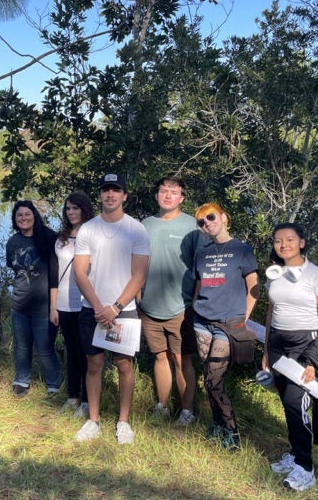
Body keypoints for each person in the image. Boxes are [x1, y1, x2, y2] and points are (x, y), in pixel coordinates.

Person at [73, 173, 150, 444]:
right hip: (92, 309)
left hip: (124, 310)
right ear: (100, 195)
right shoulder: (88, 229)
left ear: (124, 196)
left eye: (116, 190)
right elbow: (79, 272)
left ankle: (123, 422)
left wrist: (115, 308)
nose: (110, 195)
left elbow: (139, 275)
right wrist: (98, 306)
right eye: (106, 190)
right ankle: (93, 421)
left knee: (124, 365)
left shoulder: (136, 230)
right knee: (94, 364)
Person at [263, 223, 318, 491]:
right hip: (278, 343)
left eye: (290, 239)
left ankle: (305, 468)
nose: (284, 245)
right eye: (278, 241)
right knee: (286, 401)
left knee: (296, 402)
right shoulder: (275, 274)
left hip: (305, 344)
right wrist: (266, 350)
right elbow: (271, 312)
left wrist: (314, 360)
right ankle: (294, 454)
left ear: (302, 242)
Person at [192, 202, 259, 450]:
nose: (207, 224)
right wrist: (194, 306)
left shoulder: (242, 250)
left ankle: (233, 432)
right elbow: (199, 285)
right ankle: (218, 426)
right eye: (201, 222)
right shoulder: (202, 253)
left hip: (228, 325)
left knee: (214, 379)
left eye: (210, 217)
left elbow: (254, 289)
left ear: (223, 217)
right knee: (209, 378)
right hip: (202, 322)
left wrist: (242, 318)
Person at [140, 176, 203, 426]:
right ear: (157, 195)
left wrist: (195, 301)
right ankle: (163, 406)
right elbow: (137, 263)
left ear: (182, 198)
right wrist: (138, 297)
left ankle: (187, 412)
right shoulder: (145, 225)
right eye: (163, 191)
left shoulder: (193, 226)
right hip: (150, 306)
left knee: (181, 358)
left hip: (181, 307)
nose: (167, 195)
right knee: (160, 357)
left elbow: (202, 267)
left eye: (173, 192)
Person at [6, 200, 61, 397]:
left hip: (44, 307)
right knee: (22, 346)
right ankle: (22, 380)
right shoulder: (13, 242)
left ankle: (54, 383)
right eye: (19, 215)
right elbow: (14, 268)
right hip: (19, 305)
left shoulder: (49, 238)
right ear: (15, 219)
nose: (24, 218)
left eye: (27, 214)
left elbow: (55, 275)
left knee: (45, 348)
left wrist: (54, 307)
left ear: (34, 216)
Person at [50, 191, 94, 417]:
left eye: (75, 208)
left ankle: (87, 401)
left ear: (84, 209)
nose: (71, 212)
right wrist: (53, 306)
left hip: (87, 303)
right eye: (68, 208)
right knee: (71, 350)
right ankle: (72, 397)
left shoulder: (94, 236)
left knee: (86, 352)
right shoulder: (61, 239)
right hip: (65, 303)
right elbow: (54, 274)